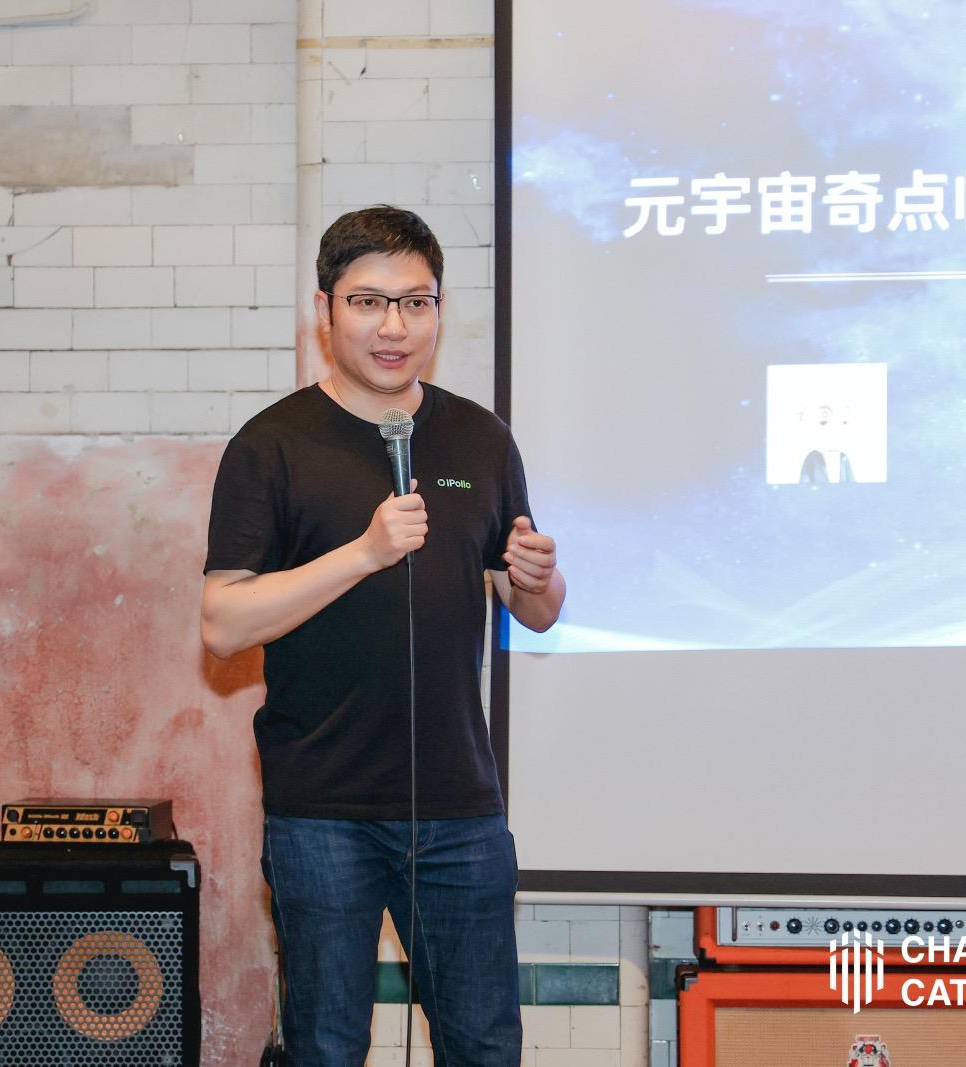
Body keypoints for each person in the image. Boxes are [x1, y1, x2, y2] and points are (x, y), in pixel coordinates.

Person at [200, 205, 564, 1065]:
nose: (393, 327)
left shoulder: (479, 437)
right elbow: (222, 623)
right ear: (324, 311)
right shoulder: (271, 445)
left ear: (439, 310)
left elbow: (536, 610)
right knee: (327, 1045)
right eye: (368, 302)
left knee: (484, 1043)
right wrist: (363, 553)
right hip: (322, 808)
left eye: (415, 302)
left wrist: (537, 577)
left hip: (460, 806)